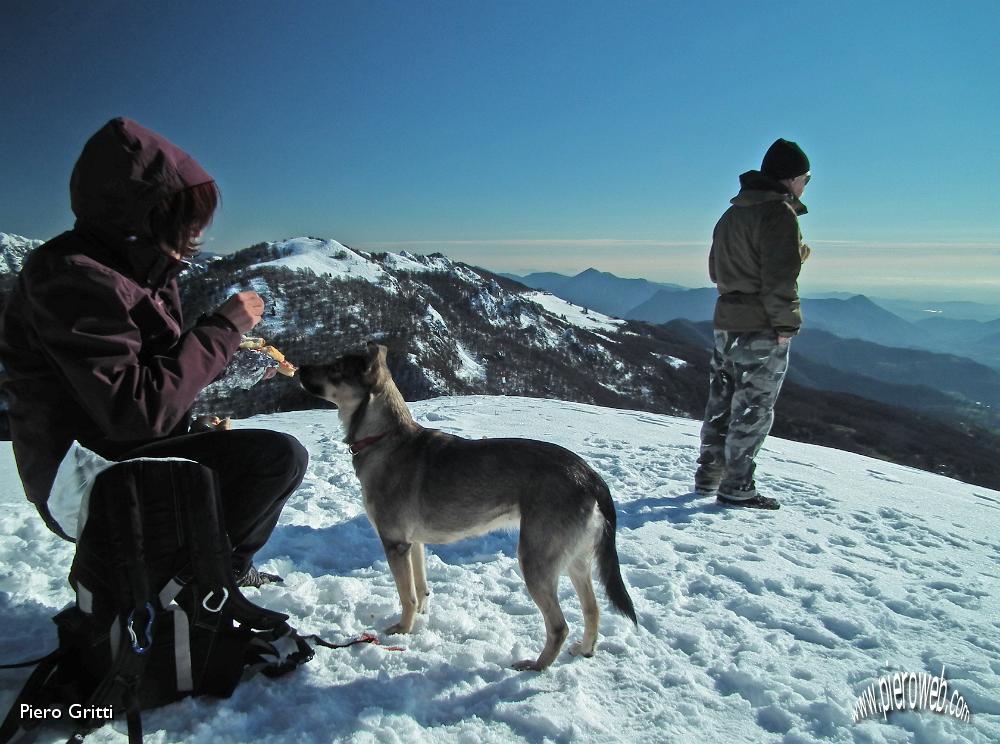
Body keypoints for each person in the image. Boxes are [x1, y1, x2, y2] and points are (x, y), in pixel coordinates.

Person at [0, 117, 307, 586]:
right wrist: (223, 329)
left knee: (272, 458)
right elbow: (135, 410)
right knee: (274, 457)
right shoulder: (74, 277)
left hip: (114, 453)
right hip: (83, 475)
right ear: (146, 217)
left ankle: (212, 571)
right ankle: (194, 583)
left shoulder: (136, 271)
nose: (195, 238)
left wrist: (192, 421)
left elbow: (140, 382)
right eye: (187, 222)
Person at [694, 138, 812, 510]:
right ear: (791, 179)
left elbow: (717, 271)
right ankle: (737, 486)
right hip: (760, 326)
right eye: (805, 178)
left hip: (725, 323)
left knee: (722, 401)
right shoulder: (778, 214)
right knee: (754, 405)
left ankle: (709, 475)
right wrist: (786, 324)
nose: (806, 186)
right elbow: (779, 279)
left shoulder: (730, 216)